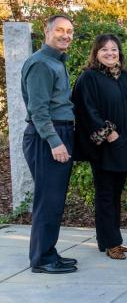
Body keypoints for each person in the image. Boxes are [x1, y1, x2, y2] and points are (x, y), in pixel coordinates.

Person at [72, 34, 127, 260]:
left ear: (119, 53)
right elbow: (85, 109)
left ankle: (110, 239)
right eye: (104, 50)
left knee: (115, 194)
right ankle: (111, 242)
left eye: (114, 49)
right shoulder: (89, 78)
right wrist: (109, 133)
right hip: (104, 146)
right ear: (96, 53)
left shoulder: (125, 78)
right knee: (105, 194)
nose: (110, 53)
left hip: (123, 145)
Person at [21, 15, 79, 274]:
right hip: (48, 137)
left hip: (58, 133)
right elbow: (38, 110)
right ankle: (42, 259)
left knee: (54, 201)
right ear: (47, 31)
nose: (65, 35)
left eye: (69, 31)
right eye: (60, 30)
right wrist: (55, 142)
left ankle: (48, 251)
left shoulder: (55, 61)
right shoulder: (41, 64)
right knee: (48, 200)